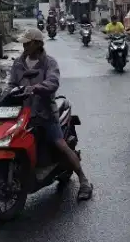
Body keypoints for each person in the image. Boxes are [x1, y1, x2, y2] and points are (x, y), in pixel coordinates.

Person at [8, 28, 92, 200]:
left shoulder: (49, 63)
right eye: (24, 42)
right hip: (22, 115)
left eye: (28, 42)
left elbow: (52, 82)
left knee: (60, 144)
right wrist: (7, 93)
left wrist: (36, 88)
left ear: (38, 44)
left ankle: (83, 181)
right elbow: (11, 84)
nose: (24, 45)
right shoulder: (18, 63)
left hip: (45, 114)